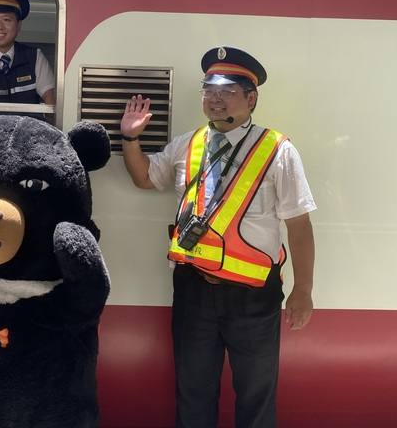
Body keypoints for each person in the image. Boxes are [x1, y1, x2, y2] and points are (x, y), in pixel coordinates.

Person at [119, 46, 316, 428]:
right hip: (194, 289)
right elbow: (144, 177)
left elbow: (299, 225)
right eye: (209, 89)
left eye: (227, 90)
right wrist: (130, 139)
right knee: (193, 391)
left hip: (253, 295)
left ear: (251, 97)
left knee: (256, 395)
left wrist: (303, 289)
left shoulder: (278, 150)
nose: (215, 98)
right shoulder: (186, 145)